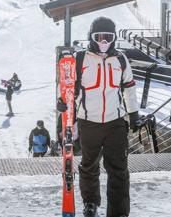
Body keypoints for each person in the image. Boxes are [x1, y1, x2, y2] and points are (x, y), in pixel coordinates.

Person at [57, 16, 139, 217]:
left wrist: (133, 114)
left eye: (108, 37)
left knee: (119, 169)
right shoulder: (80, 59)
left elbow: (129, 87)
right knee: (89, 166)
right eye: (99, 36)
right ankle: (90, 203)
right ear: (91, 37)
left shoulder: (120, 59)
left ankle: (118, 211)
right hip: (89, 121)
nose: (104, 41)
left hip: (115, 122)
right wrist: (63, 103)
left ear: (114, 38)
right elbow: (70, 89)